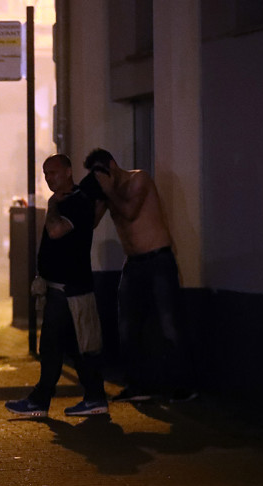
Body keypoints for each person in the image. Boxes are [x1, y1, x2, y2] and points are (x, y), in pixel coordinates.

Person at [82, 148, 196, 403]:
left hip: (158, 259)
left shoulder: (139, 179)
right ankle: (137, 385)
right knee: (127, 327)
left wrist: (110, 191)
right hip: (133, 263)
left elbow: (131, 211)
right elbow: (90, 224)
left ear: (112, 165)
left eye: (101, 172)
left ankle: (184, 386)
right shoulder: (107, 194)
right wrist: (93, 197)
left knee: (170, 324)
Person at [4, 154, 108, 418]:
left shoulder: (75, 202)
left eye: (54, 172)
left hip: (68, 288)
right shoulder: (71, 201)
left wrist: (51, 205)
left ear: (69, 172)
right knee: (72, 345)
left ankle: (43, 399)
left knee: (54, 345)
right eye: (46, 173)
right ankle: (93, 397)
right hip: (62, 286)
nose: (49, 177)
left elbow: (55, 230)